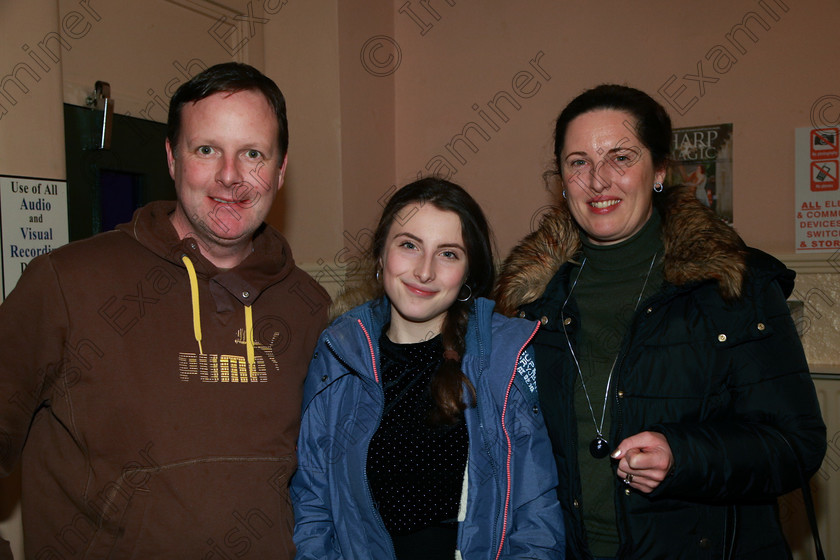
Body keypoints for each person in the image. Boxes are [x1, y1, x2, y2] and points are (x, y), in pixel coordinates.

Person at [0, 62, 329, 558]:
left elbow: (318, 485)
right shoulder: (66, 283)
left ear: (280, 170)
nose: (230, 176)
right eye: (206, 150)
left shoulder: (308, 306)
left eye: (253, 154)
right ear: (173, 159)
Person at [495, 84, 826, 559]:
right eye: (578, 162)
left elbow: (796, 445)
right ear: (562, 179)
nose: (598, 179)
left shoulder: (732, 285)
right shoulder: (530, 304)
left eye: (621, 157)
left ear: (660, 171)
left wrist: (684, 456)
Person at [291, 178, 565, 559]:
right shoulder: (339, 353)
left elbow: (535, 511)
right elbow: (314, 503)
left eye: (448, 254)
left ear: (468, 272)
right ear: (381, 255)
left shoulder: (502, 356)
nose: (424, 271)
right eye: (409, 245)